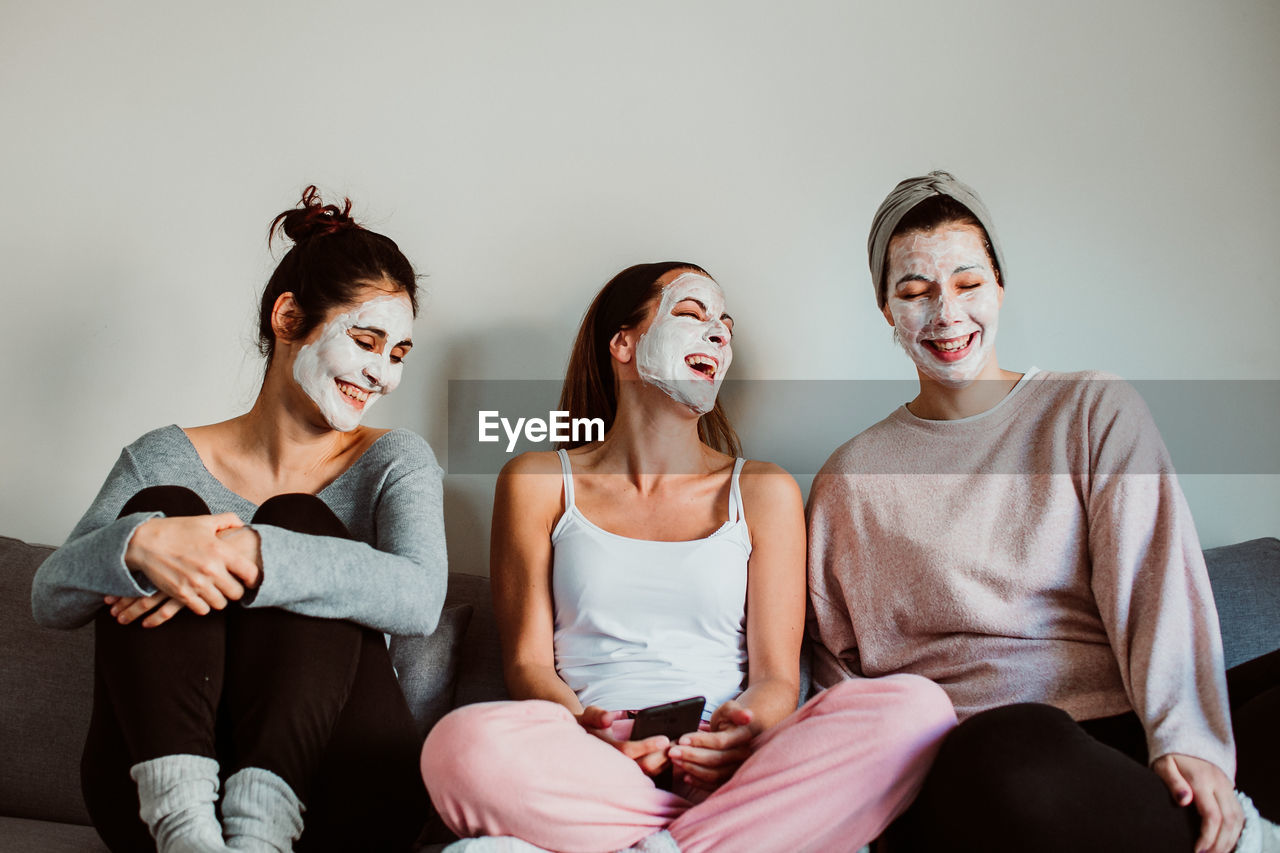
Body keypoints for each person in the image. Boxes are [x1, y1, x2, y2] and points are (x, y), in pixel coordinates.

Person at [807, 170, 1279, 853]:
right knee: (1012, 742)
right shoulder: (850, 478)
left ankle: (1213, 822)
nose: (946, 314)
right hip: (983, 760)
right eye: (914, 293)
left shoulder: (1090, 408)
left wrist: (1187, 742)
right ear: (885, 309)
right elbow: (834, 676)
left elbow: (1156, 588)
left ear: (1000, 285)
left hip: (1122, 738)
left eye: (968, 283)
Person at [420, 262, 956, 853]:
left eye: (724, 322)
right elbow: (528, 666)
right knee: (459, 745)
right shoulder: (536, 481)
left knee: (918, 710)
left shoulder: (764, 491)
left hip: (729, 769)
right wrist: (590, 732)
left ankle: (659, 842)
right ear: (623, 344)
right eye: (691, 314)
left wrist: (740, 731)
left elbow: (777, 677)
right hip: (590, 761)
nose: (719, 333)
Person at [31, 187, 447, 853]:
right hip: (157, 805)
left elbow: (421, 599)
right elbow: (49, 594)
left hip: (337, 798)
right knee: (158, 513)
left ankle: (259, 831)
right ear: (288, 318)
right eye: (367, 341)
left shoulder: (394, 460)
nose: (383, 376)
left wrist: (259, 554)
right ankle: (189, 828)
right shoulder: (161, 455)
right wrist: (139, 545)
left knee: (297, 518)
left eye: (398, 354)